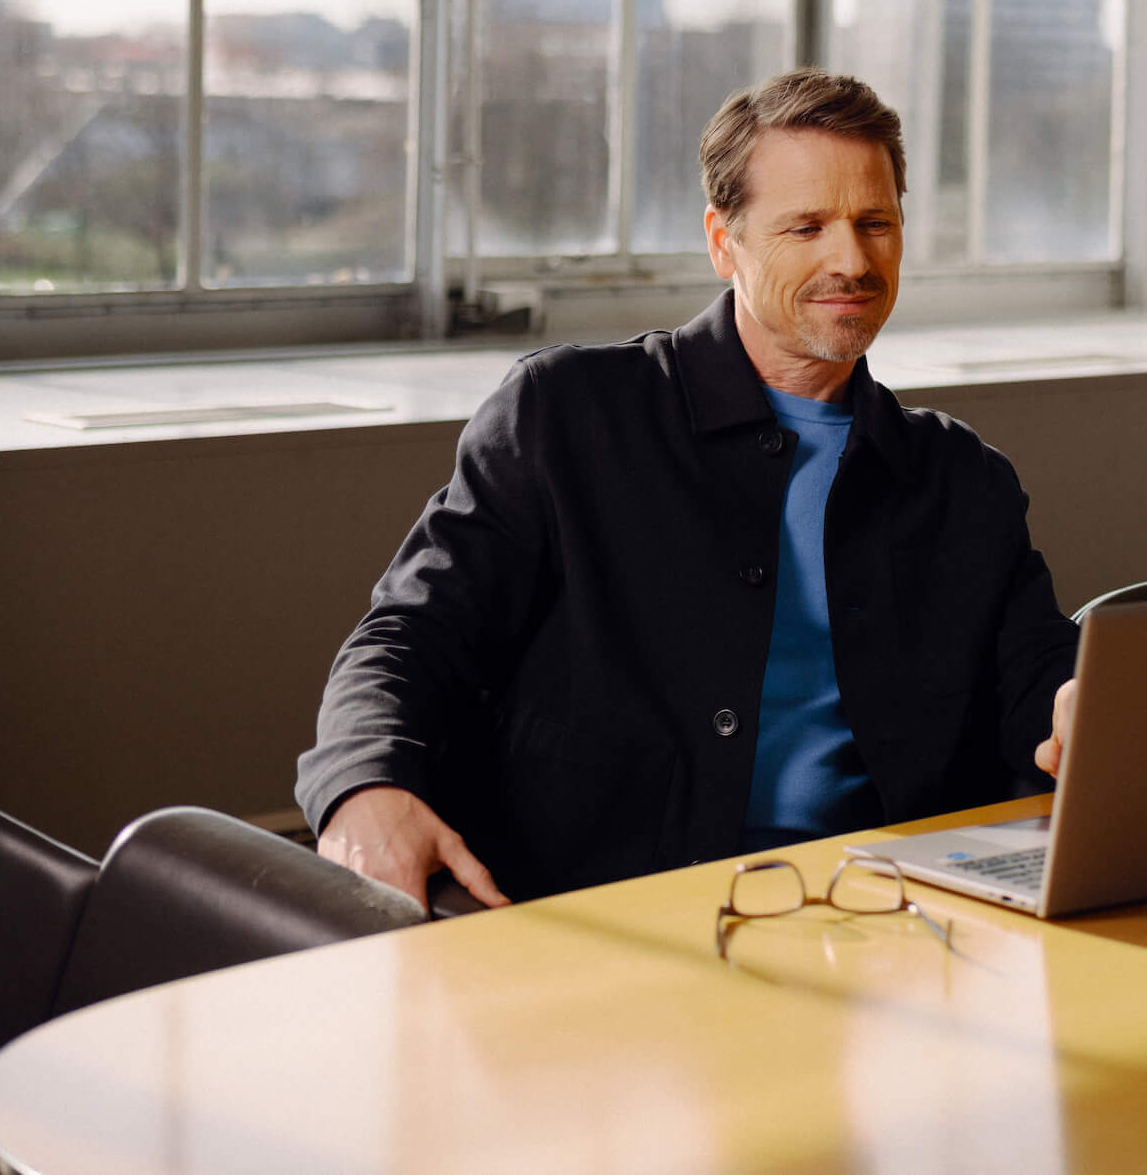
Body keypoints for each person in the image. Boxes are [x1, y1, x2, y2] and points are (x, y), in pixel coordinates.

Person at [296, 71, 1080, 907]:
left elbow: (1037, 677)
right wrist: (363, 785)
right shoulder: (567, 415)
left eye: (874, 223)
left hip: (884, 915)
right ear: (723, 240)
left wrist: (1080, 709)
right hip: (597, 919)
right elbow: (413, 635)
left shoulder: (962, 478)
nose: (850, 260)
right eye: (806, 226)